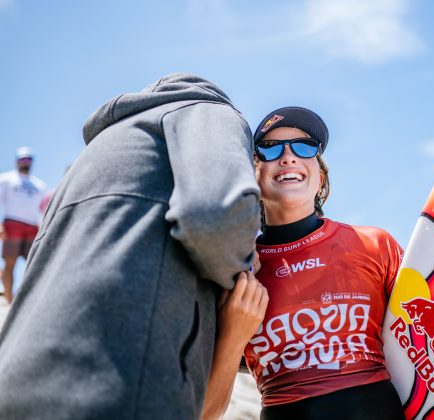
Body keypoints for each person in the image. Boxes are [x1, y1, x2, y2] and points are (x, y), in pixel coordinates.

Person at [0, 74, 262, 418]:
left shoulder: (93, 155)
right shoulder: (207, 108)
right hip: (114, 384)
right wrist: (242, 267)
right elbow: (214, 217)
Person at [205, 106, 406, 419]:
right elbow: (205, 412)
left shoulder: (374, 245)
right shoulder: (234, 273)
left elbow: (430, 340)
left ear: (320, 176)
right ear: (252, 178)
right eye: (269, 150)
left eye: (304, 146)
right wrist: (234, 330)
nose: (288, 156)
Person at [0, 147, 46, 304]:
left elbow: (42, 209)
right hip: (12, 223)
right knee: (10, 262)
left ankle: (31, 299)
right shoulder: (6, 179)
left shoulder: (39, 185)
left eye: (28, 160)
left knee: (35, 262)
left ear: (32, 162)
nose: (25, 163)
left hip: (33, 227)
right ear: (17, 161)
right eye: (22, 160)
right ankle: (9, 299)